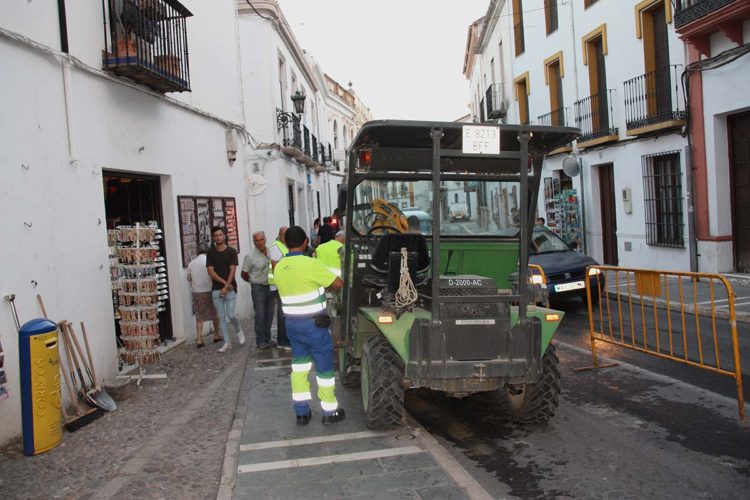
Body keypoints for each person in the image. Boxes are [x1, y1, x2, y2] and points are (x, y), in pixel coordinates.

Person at [274, 226, 345, 425]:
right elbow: (338, 284)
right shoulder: (311, 264)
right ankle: (330, 412)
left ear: (286, 243)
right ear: (306, 241)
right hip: (314, 325)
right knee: (324, 369)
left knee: (299, 368)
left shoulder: (279, 267)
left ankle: (302, 413)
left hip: (292, 327)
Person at [206, 226, 245, 353]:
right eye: (216, 235)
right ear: (213, 237)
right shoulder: (210, 253)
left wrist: (227, 285)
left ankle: (238, 330)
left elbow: (232, 269)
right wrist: (224, 285)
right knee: (221, 316)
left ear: (224, 236)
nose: (218, 237)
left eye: (220, 235)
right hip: (217, 289)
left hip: (231, 288)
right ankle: (227, 342)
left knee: (231, 314)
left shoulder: (231, 252)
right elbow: (211, 271)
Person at [241, 231, 274, 349]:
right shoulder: (250, 256)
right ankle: (260, 340)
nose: (259, 243)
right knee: (260, 314)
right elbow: (244, 274)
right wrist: (253, 281)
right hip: (258, 287)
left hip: (270, 285)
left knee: (269, 313)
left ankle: (268, 338)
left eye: (261, 240)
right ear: (253, 241)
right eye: (257, 240)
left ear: (265, 239)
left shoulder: (271, 251)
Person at [187, 242, 221, 348]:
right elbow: (213, 275)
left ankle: (199, 339)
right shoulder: (210, 261)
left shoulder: (191, 263)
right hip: (210, 290)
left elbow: (189, 278)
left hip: (197, 292)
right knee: (215, 313)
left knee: (199, 316)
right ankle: (216, 335)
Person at [269, 226, 291, 349]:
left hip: (284, 284)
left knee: (285, 313)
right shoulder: (276, 247)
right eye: (285, 235)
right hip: (279, 285)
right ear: (280, 234)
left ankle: (285, 339)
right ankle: (283, 340)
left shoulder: (283, 246)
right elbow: (275, 268)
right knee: (282, 314)